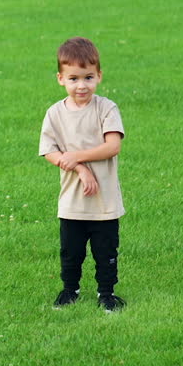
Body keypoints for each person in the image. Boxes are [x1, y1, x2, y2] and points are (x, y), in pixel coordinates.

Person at [38, 37, 126, 313]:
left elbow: (113, 146)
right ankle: (69, 291)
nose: (81, 85)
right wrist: (78, 168)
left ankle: (107, 294)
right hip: (72, 202)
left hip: (104, 203)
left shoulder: (106, 108)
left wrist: (77, 155)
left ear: (99, 76)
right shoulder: (55, 114)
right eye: (73, 78)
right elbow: (49, 151)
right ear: (60, 79)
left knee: (106, 253)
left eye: (88, 77)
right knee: (71, 253)